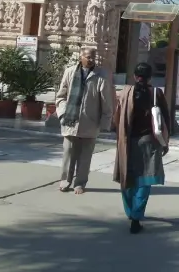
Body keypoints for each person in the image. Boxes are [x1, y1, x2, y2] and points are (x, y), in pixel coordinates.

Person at [114, 62, 171, 234]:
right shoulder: (156, 93)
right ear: (150, 77)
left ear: (134, 76)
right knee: (145, 180)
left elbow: (116, 118)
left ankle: (130, 211)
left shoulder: (125, 93)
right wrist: (165, 141)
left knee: (128, 177)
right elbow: (166, 119)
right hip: (149, 141)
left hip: (128, 141)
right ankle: (136, 217)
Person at [55, 46, 114, 194]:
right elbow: (61, 96)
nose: (91, 60)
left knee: (85, 156)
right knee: (68, 154)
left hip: (90, 122)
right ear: (81, 57)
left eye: (94, 57)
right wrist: (62, 114)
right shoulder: (69, 72)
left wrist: (105, 122)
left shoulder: (101, 75)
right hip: (70, 120)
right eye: (88, 57)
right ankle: (65, 181)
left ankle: (80, 183)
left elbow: (106, 101)